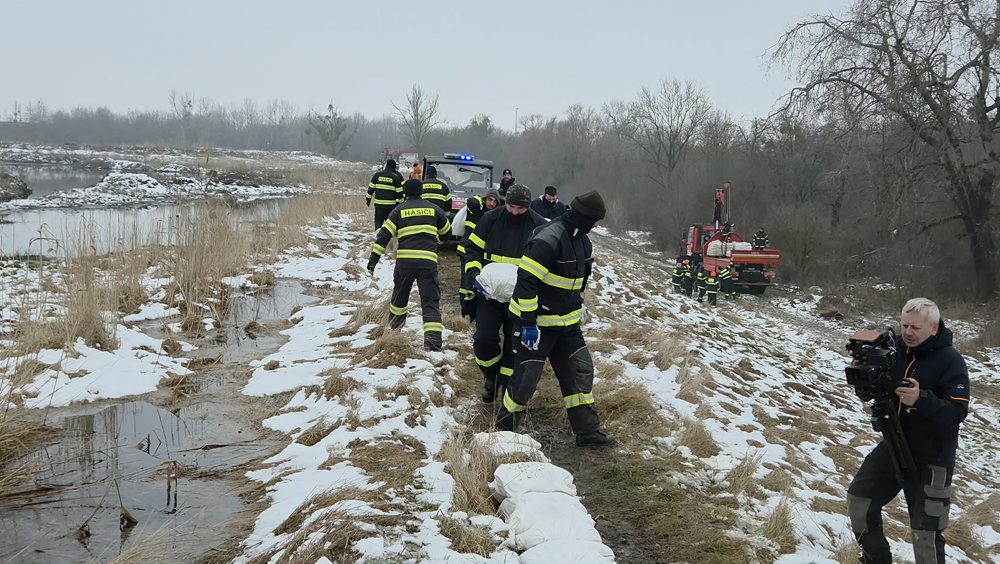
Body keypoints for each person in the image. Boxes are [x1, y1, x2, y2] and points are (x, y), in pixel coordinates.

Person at [846, 298, 970, 564]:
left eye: (916, 327)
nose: (908, 332)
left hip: (933, 457)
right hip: (893, 444)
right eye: (905, 325)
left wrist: (921, 399)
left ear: (934, 329)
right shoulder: (892, 350)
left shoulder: (951, 361)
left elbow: (957, 414)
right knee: (860, 500)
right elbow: (876, 387)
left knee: (925, 534)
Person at [497, 191, 612, 447]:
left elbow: (578, 283)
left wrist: (577, 307)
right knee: (525, 379)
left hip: (567, 327)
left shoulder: (583, 242)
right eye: (594, 221)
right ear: (583, 217)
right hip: (536, 327)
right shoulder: (549, 238)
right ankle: (504, 431)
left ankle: (588, 432)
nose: (595, 226)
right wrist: (527, 323)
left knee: (580, 372)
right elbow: (526, 281)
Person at [463, 184, 546, 402]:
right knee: (483, 340)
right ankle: (490, 375)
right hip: (489, 295)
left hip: (521, 298)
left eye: (520, 209)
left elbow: (547, 262)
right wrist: (473, 275)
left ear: (528, 207)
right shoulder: (490, 219)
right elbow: (472, 250)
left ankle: (505, 389)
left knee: (513, 347)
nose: (514, 212)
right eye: (510, 206)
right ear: (504, 202)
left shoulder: (538, 225)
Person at [367, 179, 451, 351]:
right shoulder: (435, 210)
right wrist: (437, 239)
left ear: (405, 193)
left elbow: (384, 235)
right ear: (421, 192)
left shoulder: (398, 210)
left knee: (399, 298)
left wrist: (373, 260)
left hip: (405, 263)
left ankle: (395, 333)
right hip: (427, 262)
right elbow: (446, 234)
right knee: (430, 301)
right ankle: (433, 343)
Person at [458, 187, 501, 318]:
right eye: (489, 199)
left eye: (494, 201)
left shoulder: (495, 216)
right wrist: (478, 199)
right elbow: (471, 201)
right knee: (466, 281)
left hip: (481, 253)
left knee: (478, 282)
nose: (491, 203)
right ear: (484, 199)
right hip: (466, 250)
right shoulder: (476, 210)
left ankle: (475, 309)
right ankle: (464, 308)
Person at [366, 159, 404, 231]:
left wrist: (368, 200)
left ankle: (378, 237)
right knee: (390, 224)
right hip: (391, 206)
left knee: (378, 222)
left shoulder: (377, 175)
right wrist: (401, 203)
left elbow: (370, 189)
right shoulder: (396, 177)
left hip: (379, 205)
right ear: (394, 167)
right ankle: (388, 239)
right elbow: (400, 193)